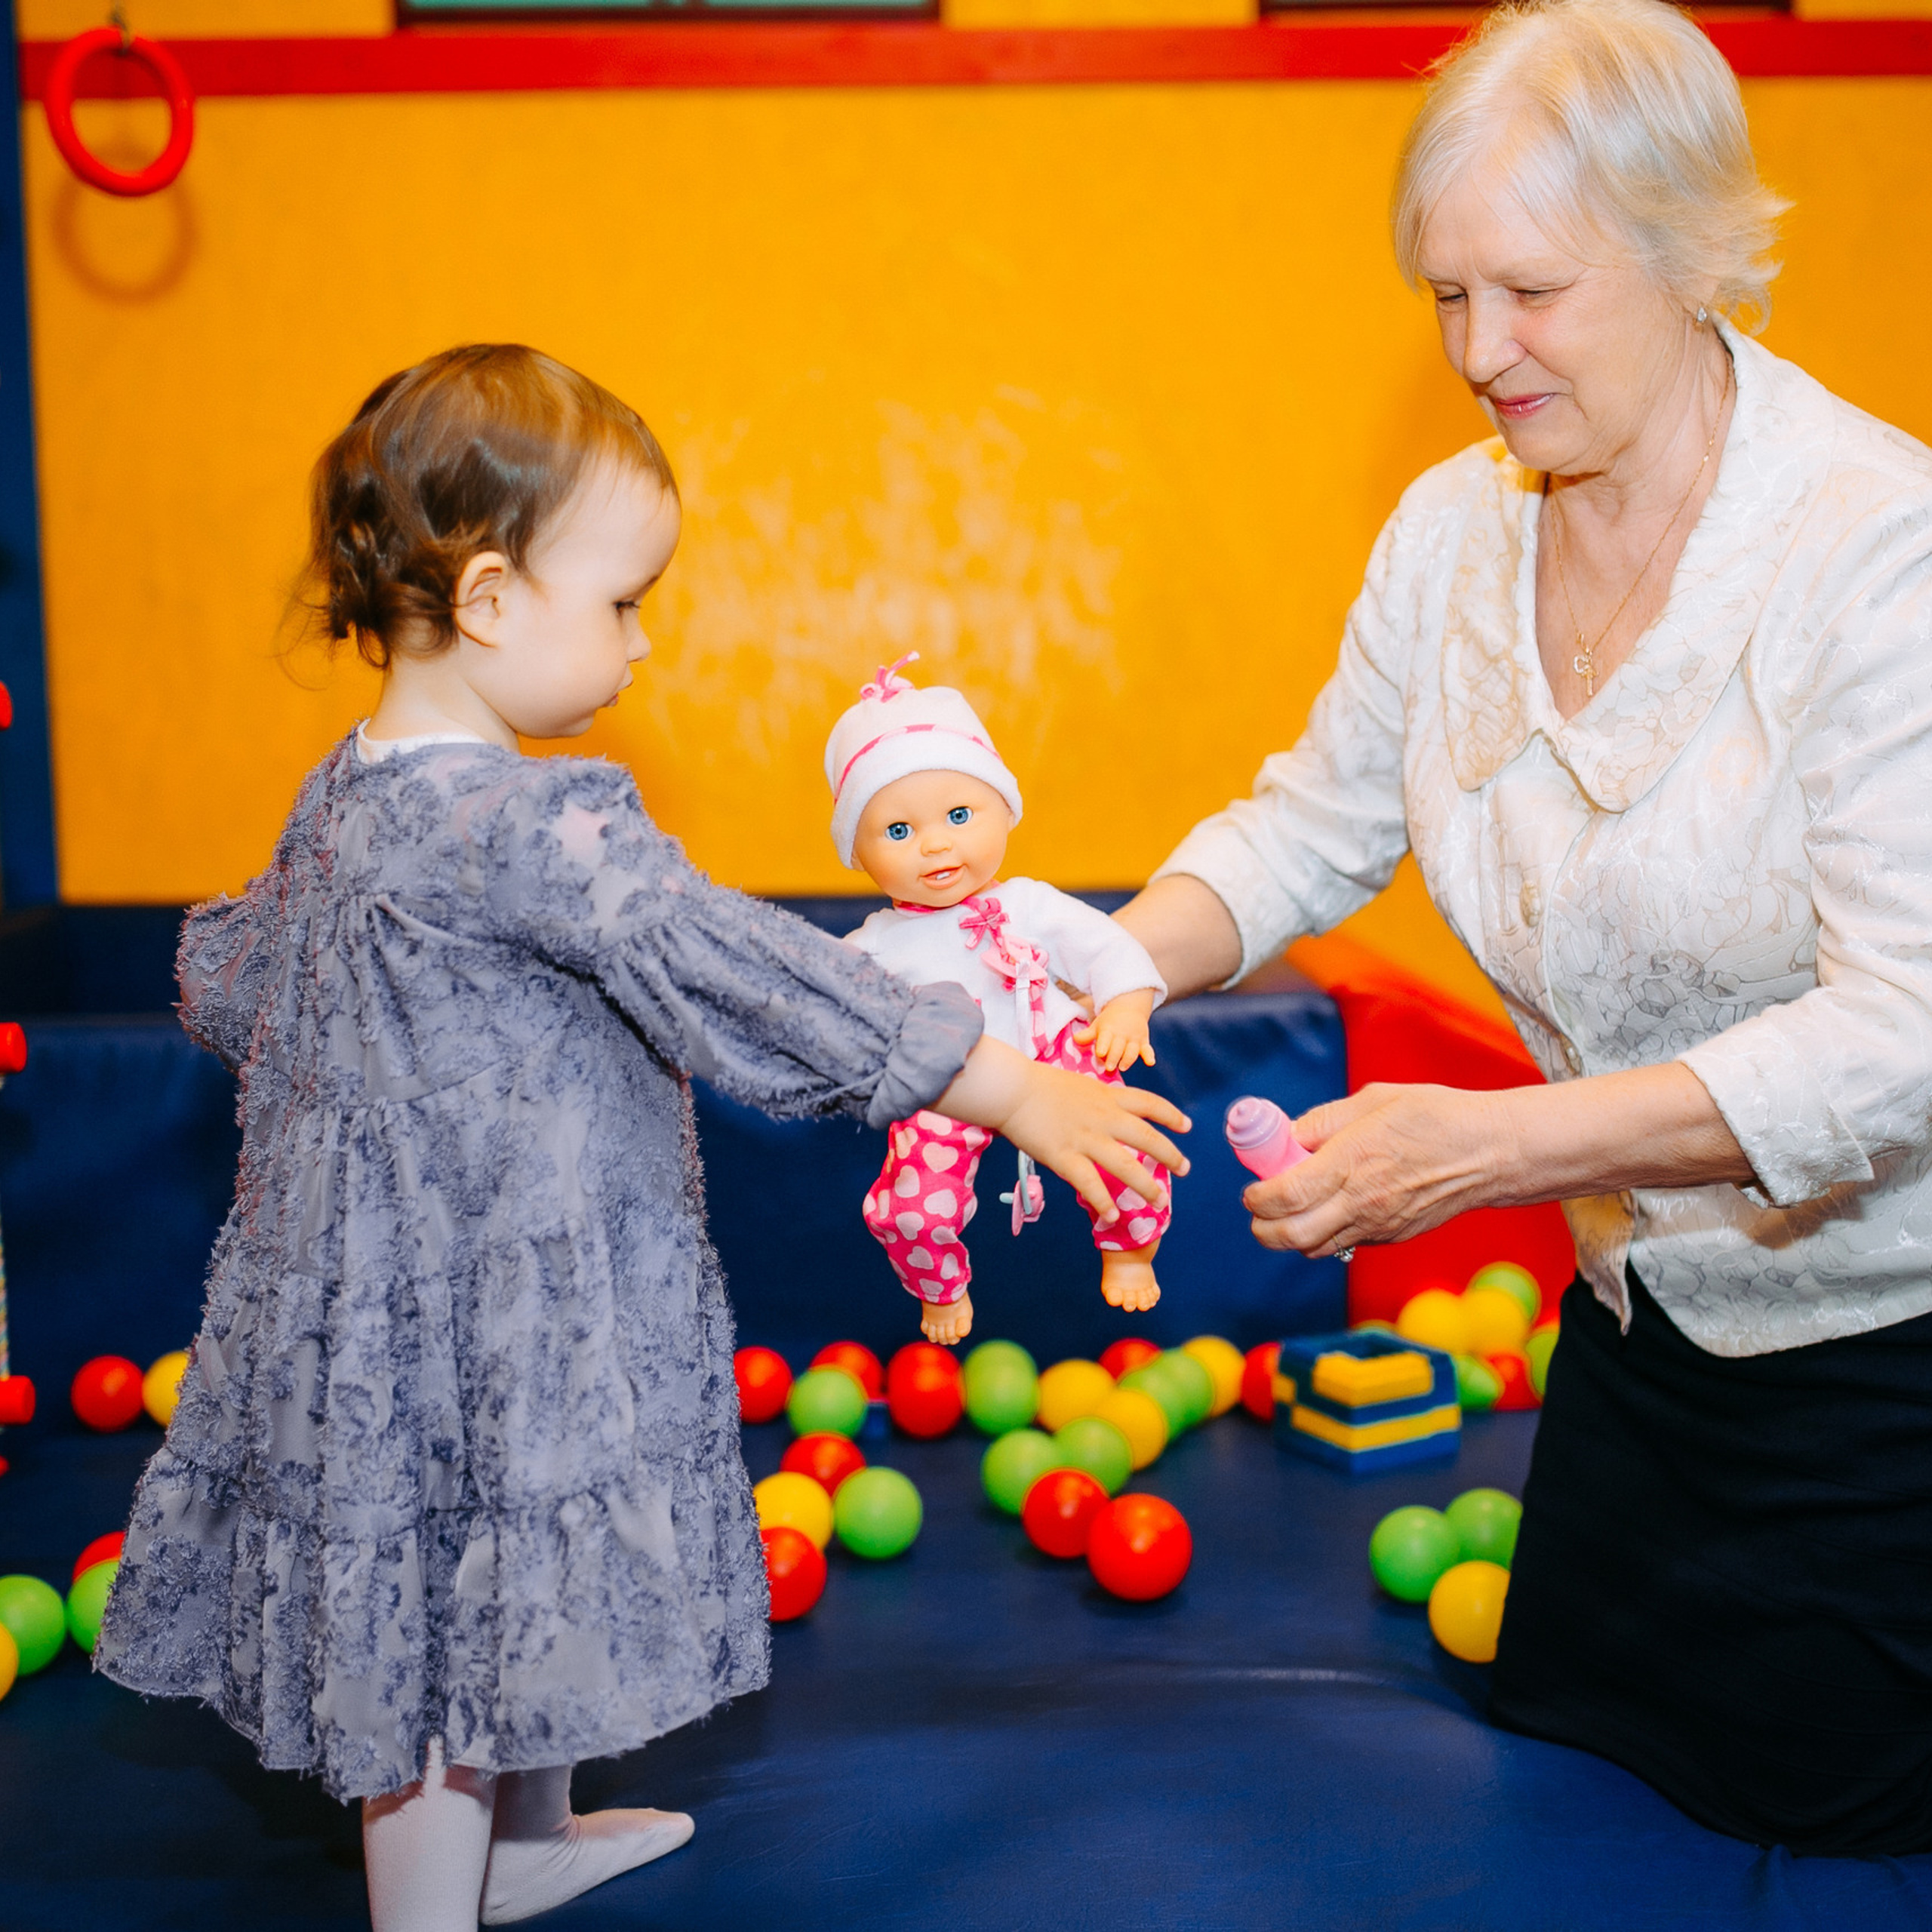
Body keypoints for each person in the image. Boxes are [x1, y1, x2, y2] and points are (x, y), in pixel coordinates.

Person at [91, 345, 1189, 1930]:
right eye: (617, 603)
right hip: (492, 1294)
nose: (640, 640)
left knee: (508, 1564)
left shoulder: (340, 797)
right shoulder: (538, 824)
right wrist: (1009, 1086)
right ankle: (427, 1908)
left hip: (405, 1285)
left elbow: (237, 963)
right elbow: (739, 967)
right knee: (461, 1629)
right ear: (484, 601)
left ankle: (522, 1843)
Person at [1114, 0, 1932, 1857]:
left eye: (1529, 293)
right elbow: (1311, 817)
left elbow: (1898, 1031)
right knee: (1567, 1801)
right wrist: (1111, 954)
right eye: (1440, 299)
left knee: (1822, 1835)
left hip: (1883, 1363)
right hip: (1635, 1335)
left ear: (1684, 252)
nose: (1479, 352)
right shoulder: (1448, 536)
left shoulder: (1872, 554)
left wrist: (1482, 1145)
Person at [828, 655, 1171, 1343]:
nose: (935, 844)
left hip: (1052, 1044)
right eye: (898, 832)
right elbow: (815, 999)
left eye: (959, 814)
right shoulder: (872, 946)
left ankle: (1132, 1245)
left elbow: (1107, 950)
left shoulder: (1028, 904)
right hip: (948, 1082)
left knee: (1128, 1147)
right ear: (858, 854)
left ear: (1004, 810)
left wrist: (1125, 1007)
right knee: (912, 1210)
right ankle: (939, 1287)